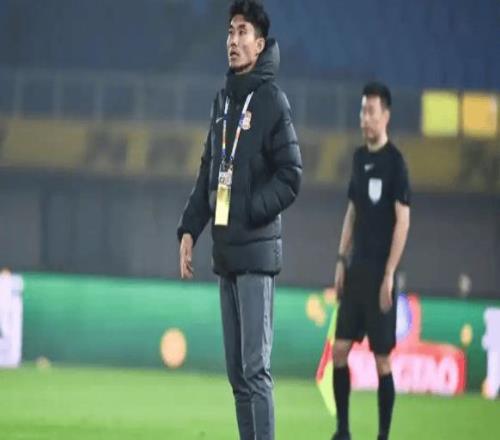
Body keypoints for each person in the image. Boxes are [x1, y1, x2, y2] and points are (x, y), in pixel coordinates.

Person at [177, 1, 302, 439]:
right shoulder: (223, 101)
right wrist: (189, 229)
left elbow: (291, 175)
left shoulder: (272, 101)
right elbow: (209, 171)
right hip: (227, 253)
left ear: (260, 44)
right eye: (230, 31)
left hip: (256, 255)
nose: (232, 40)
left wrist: (250, 209)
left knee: (255, 369)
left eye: (242, 32)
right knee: (237, 374)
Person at [331, 82, 411, 440]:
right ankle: (343, 431)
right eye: (362, 111)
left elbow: (403, 221)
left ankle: (382, 435)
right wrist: (340, 259)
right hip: (357, 271)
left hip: (381, 275)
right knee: (340, 350)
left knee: (382, 359)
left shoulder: (396, 163)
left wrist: (390, 273)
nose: (365, 118)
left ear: (386, 116)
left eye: (371, 112)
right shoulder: (358, 158)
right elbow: (352, 212)